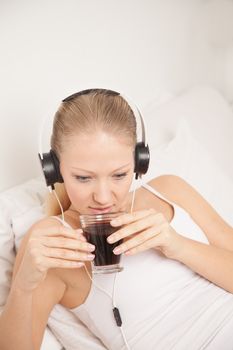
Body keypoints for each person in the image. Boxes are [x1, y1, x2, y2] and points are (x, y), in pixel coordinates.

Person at [1, 88, 233, 350]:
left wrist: (178, 245)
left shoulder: (170, 190)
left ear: (139, 162)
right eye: (83, 178)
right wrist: (23, 286)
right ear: (54, 170)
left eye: (119, 175)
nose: (102, 197)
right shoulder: (52, 241)